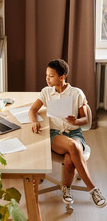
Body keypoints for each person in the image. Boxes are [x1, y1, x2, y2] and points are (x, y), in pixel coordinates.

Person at [29, 59, 106, 208]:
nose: (47, 79)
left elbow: (85, 119)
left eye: (51, 76)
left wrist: (75, 121)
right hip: (55, 134)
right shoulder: (46, 92)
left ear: (62, 77)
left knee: (70, 156)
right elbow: (33, 110)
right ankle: (93, 189)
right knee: (74, 147)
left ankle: (66, 188)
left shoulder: (76, 93)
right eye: (47, 75)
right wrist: (34, 122)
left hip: (74, 133)